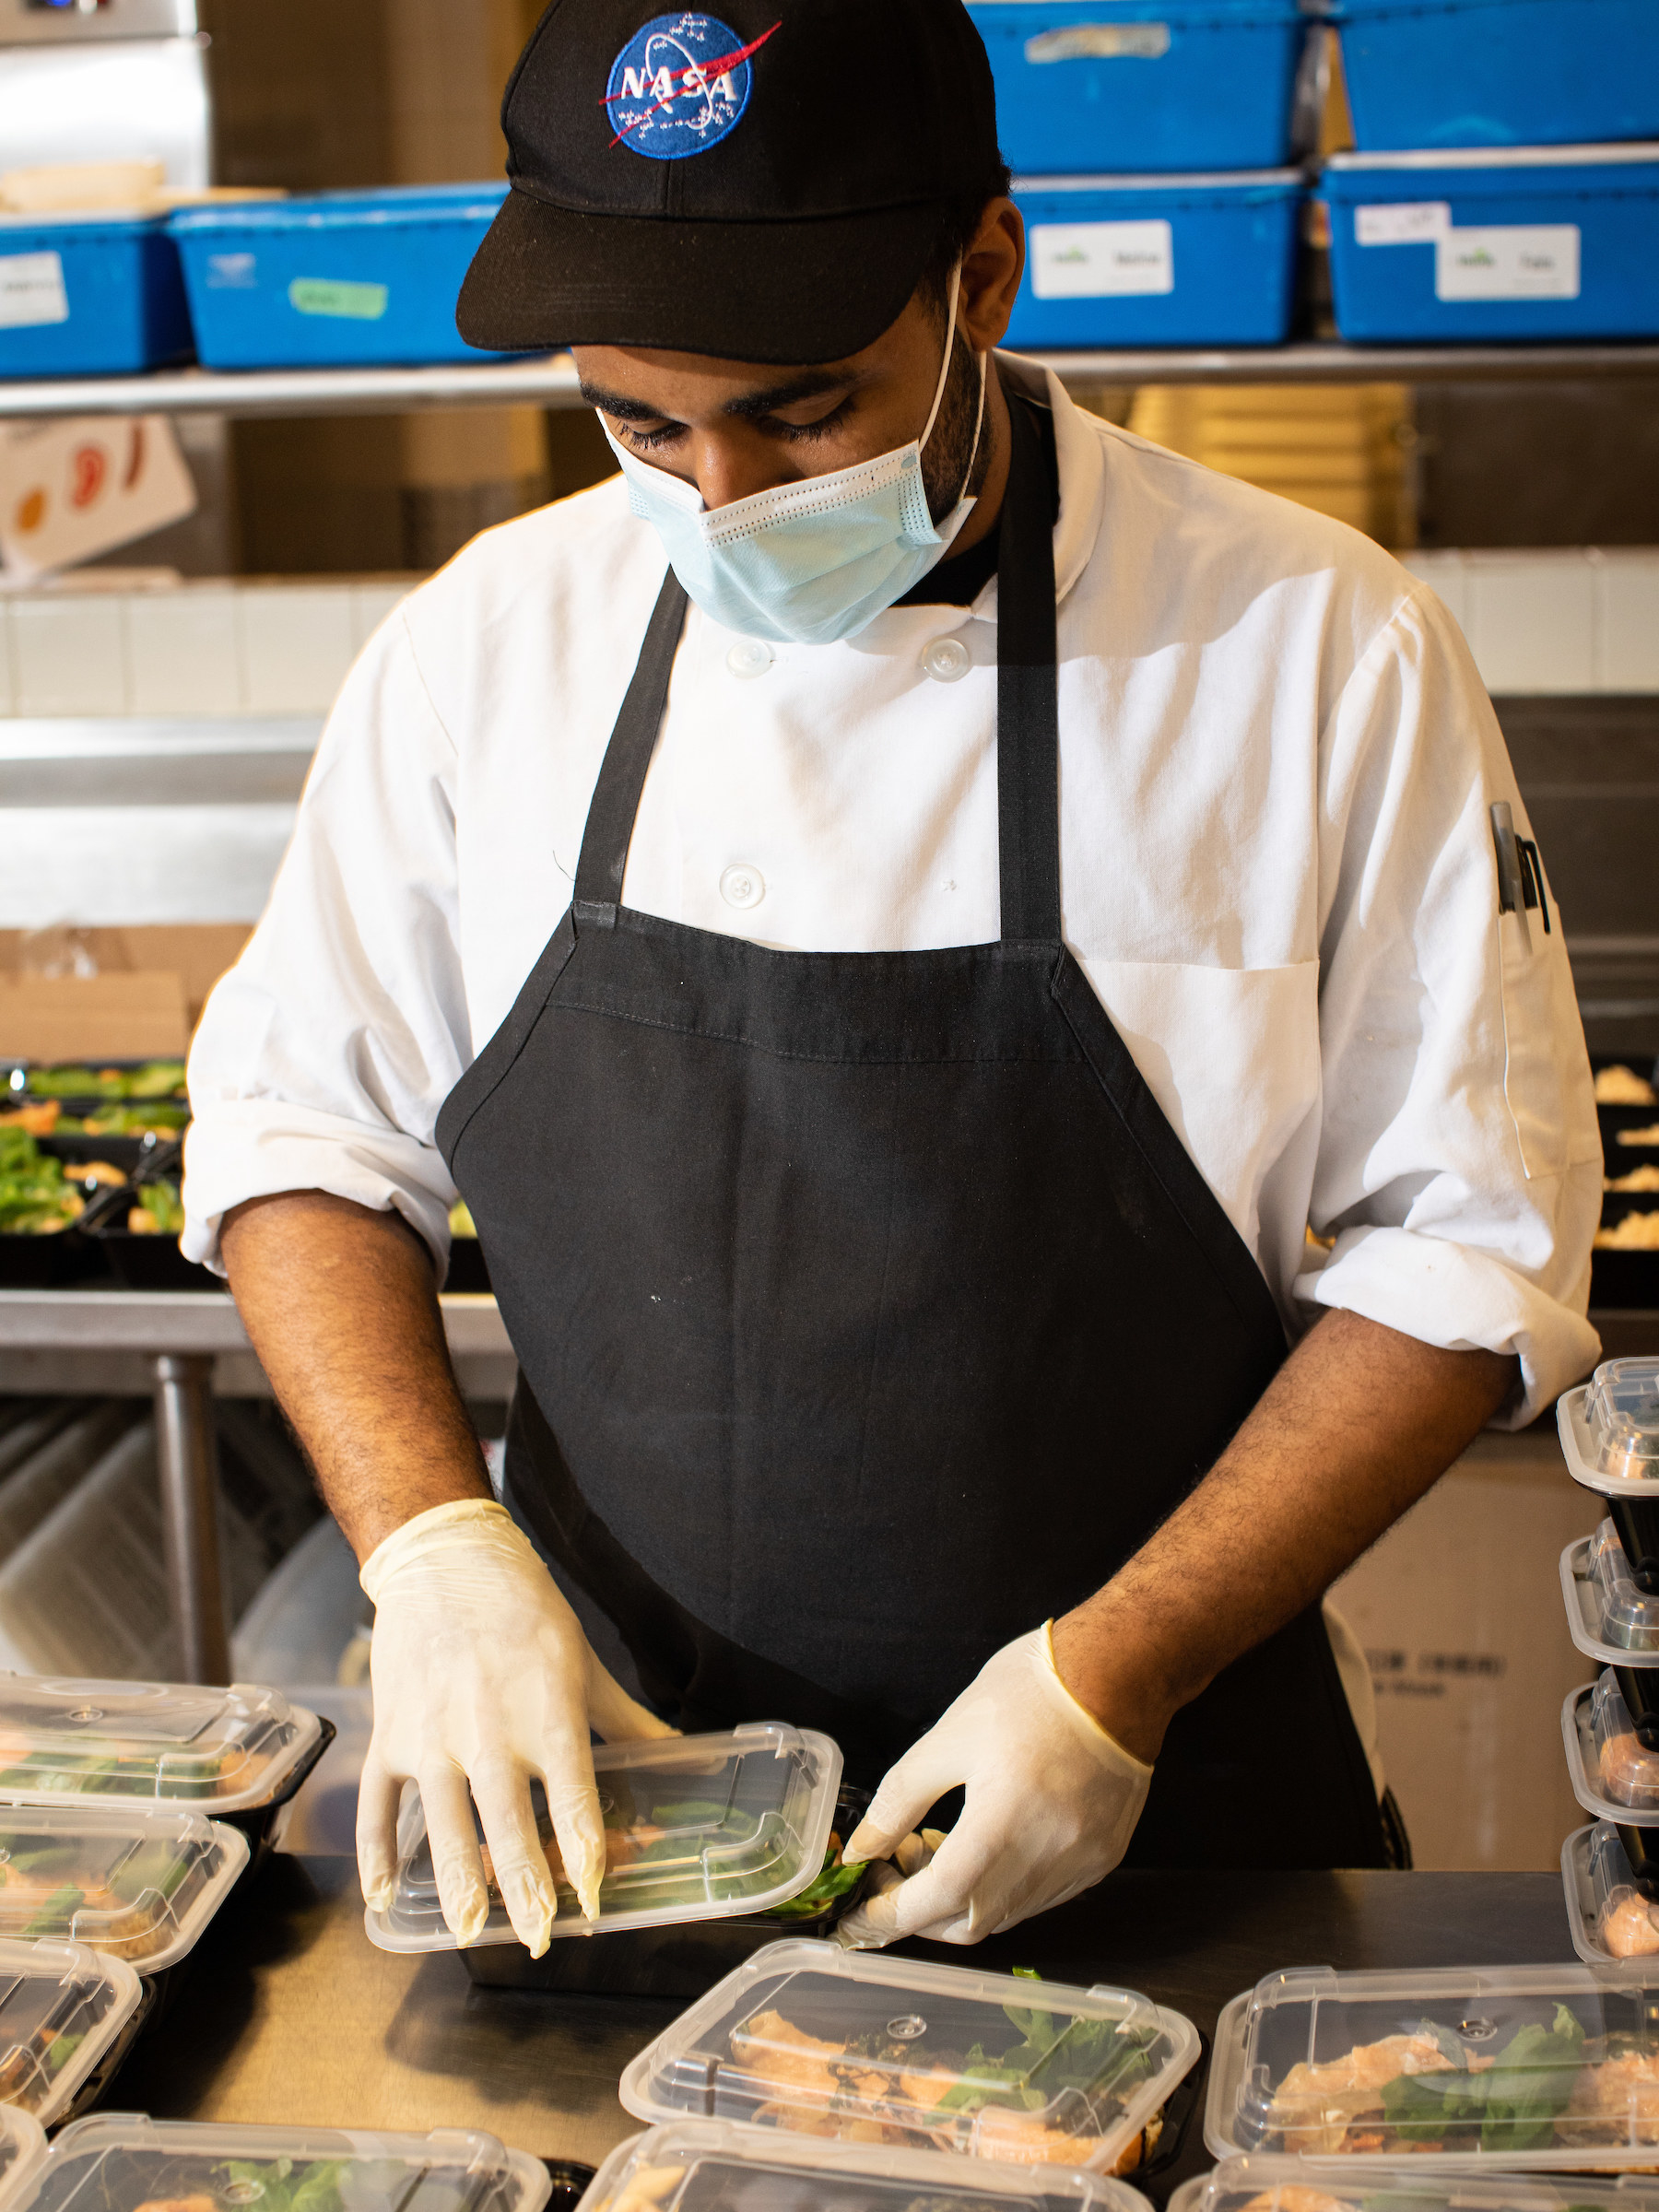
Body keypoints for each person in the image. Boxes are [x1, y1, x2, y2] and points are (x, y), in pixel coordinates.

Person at [183, 0, 1601, 1957]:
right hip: (598, 1820)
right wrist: (431, 1550)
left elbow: (1464, 1253)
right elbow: (297, 1135)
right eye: (641, 424)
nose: (724, 499)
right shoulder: (486, 651)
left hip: (1152, 1812)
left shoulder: (1313, 655)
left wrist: (1115, 1674)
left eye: (806, 410)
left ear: (986, 274)